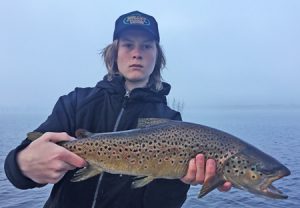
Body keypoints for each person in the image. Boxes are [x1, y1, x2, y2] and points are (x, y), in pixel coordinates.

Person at [4, 11, 231, 208]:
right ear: (114, 52)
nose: (137, 53)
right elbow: (17, 173)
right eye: (128, 44)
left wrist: (180, 181)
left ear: (157, 55)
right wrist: (23, 163)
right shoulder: (75, 102)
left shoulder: (171, 120)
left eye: (146, 46)